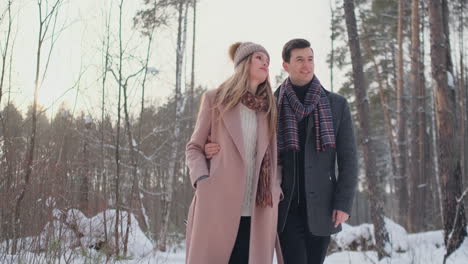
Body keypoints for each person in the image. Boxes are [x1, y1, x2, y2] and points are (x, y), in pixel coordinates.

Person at [205, 39, 358, 264]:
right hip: (284, 209)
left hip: (323, 207)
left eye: (310, 59)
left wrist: (343, 203)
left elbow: (349, 159)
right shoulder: (270, 104)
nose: (306, 65)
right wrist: (214, 148)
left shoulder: (336, 105)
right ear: (285, 65)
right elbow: (248, 144)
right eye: (299, 60)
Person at [185, 42, 283, 264]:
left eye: (268, 60)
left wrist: (275, 189)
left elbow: (276, 158)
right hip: (218, 204)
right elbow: (194, 148)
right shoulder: (215, 99)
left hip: (257, 210)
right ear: (243, 63)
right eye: (260, 58)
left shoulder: (269, 109)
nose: (266, 63)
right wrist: (202, 179)